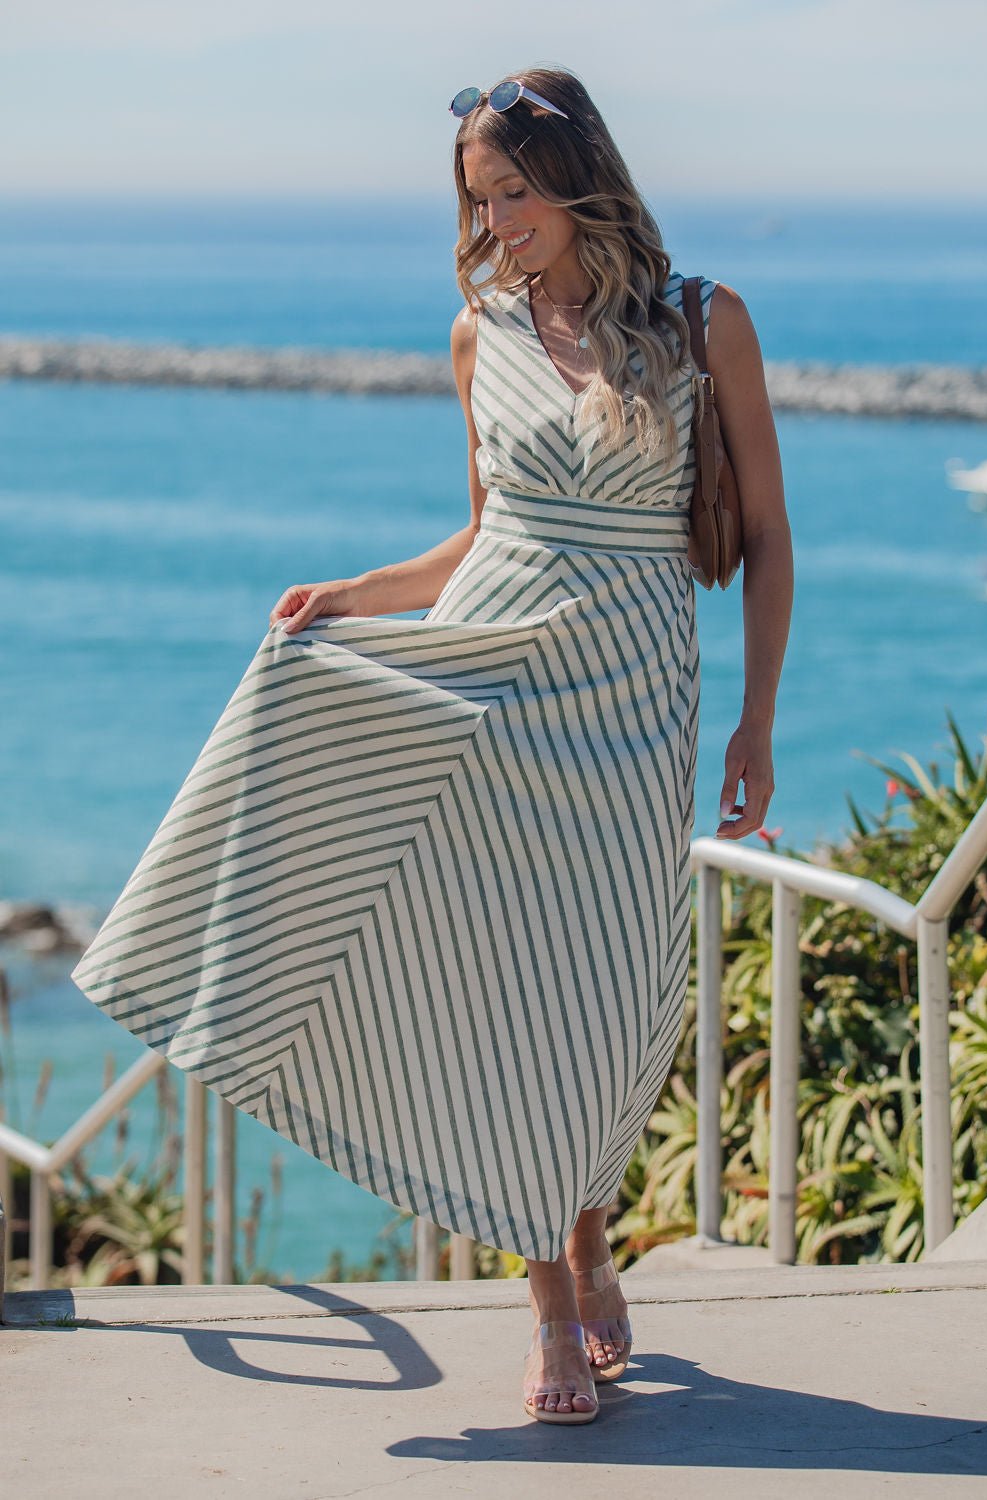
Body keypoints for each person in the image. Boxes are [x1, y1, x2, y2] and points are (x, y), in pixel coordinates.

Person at [71, 65, 793, 1427]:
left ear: (576, 175)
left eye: (514, 192)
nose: (497, 222)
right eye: (480, 201)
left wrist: (758, 716)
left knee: (607, 996)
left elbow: (764, 536)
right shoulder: (480, 333)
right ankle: (551, 1301)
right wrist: (352, 596)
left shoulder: (707, 322)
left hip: (636, 701)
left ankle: (589, 1232)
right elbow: (482, 536)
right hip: (492, 691)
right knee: (513, 997)